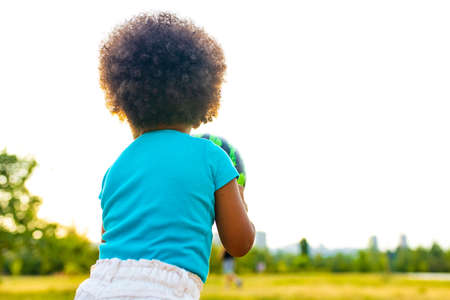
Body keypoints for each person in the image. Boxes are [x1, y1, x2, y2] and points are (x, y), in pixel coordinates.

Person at [74, 12, 255, 300]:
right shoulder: (213, 157)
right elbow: (239, 244)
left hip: (98, 286)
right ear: (201, 95)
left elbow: (109, 238)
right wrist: (239, 194)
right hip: (162, 292)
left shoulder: (116, 167)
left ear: (125, 98)